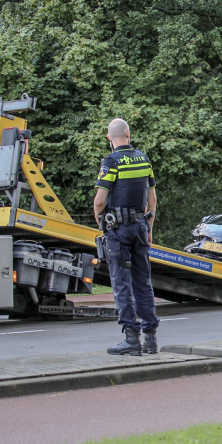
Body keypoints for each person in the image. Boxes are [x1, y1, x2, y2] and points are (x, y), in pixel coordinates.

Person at [93, 118, 160, 355]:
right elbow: (151, 200)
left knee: (121, 283)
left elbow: (100, 201)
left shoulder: (111, 162)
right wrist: (149, 228)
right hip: (141, 227)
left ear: (109, 138)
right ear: (128, 134)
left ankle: (132, 339)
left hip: (118, 231)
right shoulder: (144, 160)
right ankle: (151, 339)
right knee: (143, 282)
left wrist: (100, 221)